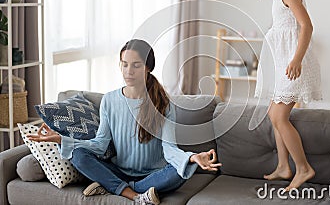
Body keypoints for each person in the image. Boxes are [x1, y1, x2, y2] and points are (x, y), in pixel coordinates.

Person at [28, 39, 222, 205]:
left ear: (148, 67)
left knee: (181, 171)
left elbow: (170, 150)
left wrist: (191, 158)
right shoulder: (110, 101)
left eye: (136, 65)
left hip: (154, 175)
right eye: (124, 64)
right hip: (119, 170)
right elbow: (99, 145)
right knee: (78, 156)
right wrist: (62, 140)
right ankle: (134, 195)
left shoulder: (164, 104)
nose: (128, 71)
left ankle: (112, 187)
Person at [252, 0, 323, 190]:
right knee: (273, 115)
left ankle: (303, 167)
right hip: (282, 63)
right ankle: (284, 166)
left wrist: (296, 59)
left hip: (293, 64)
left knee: (280, 117)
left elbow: (306, 26)